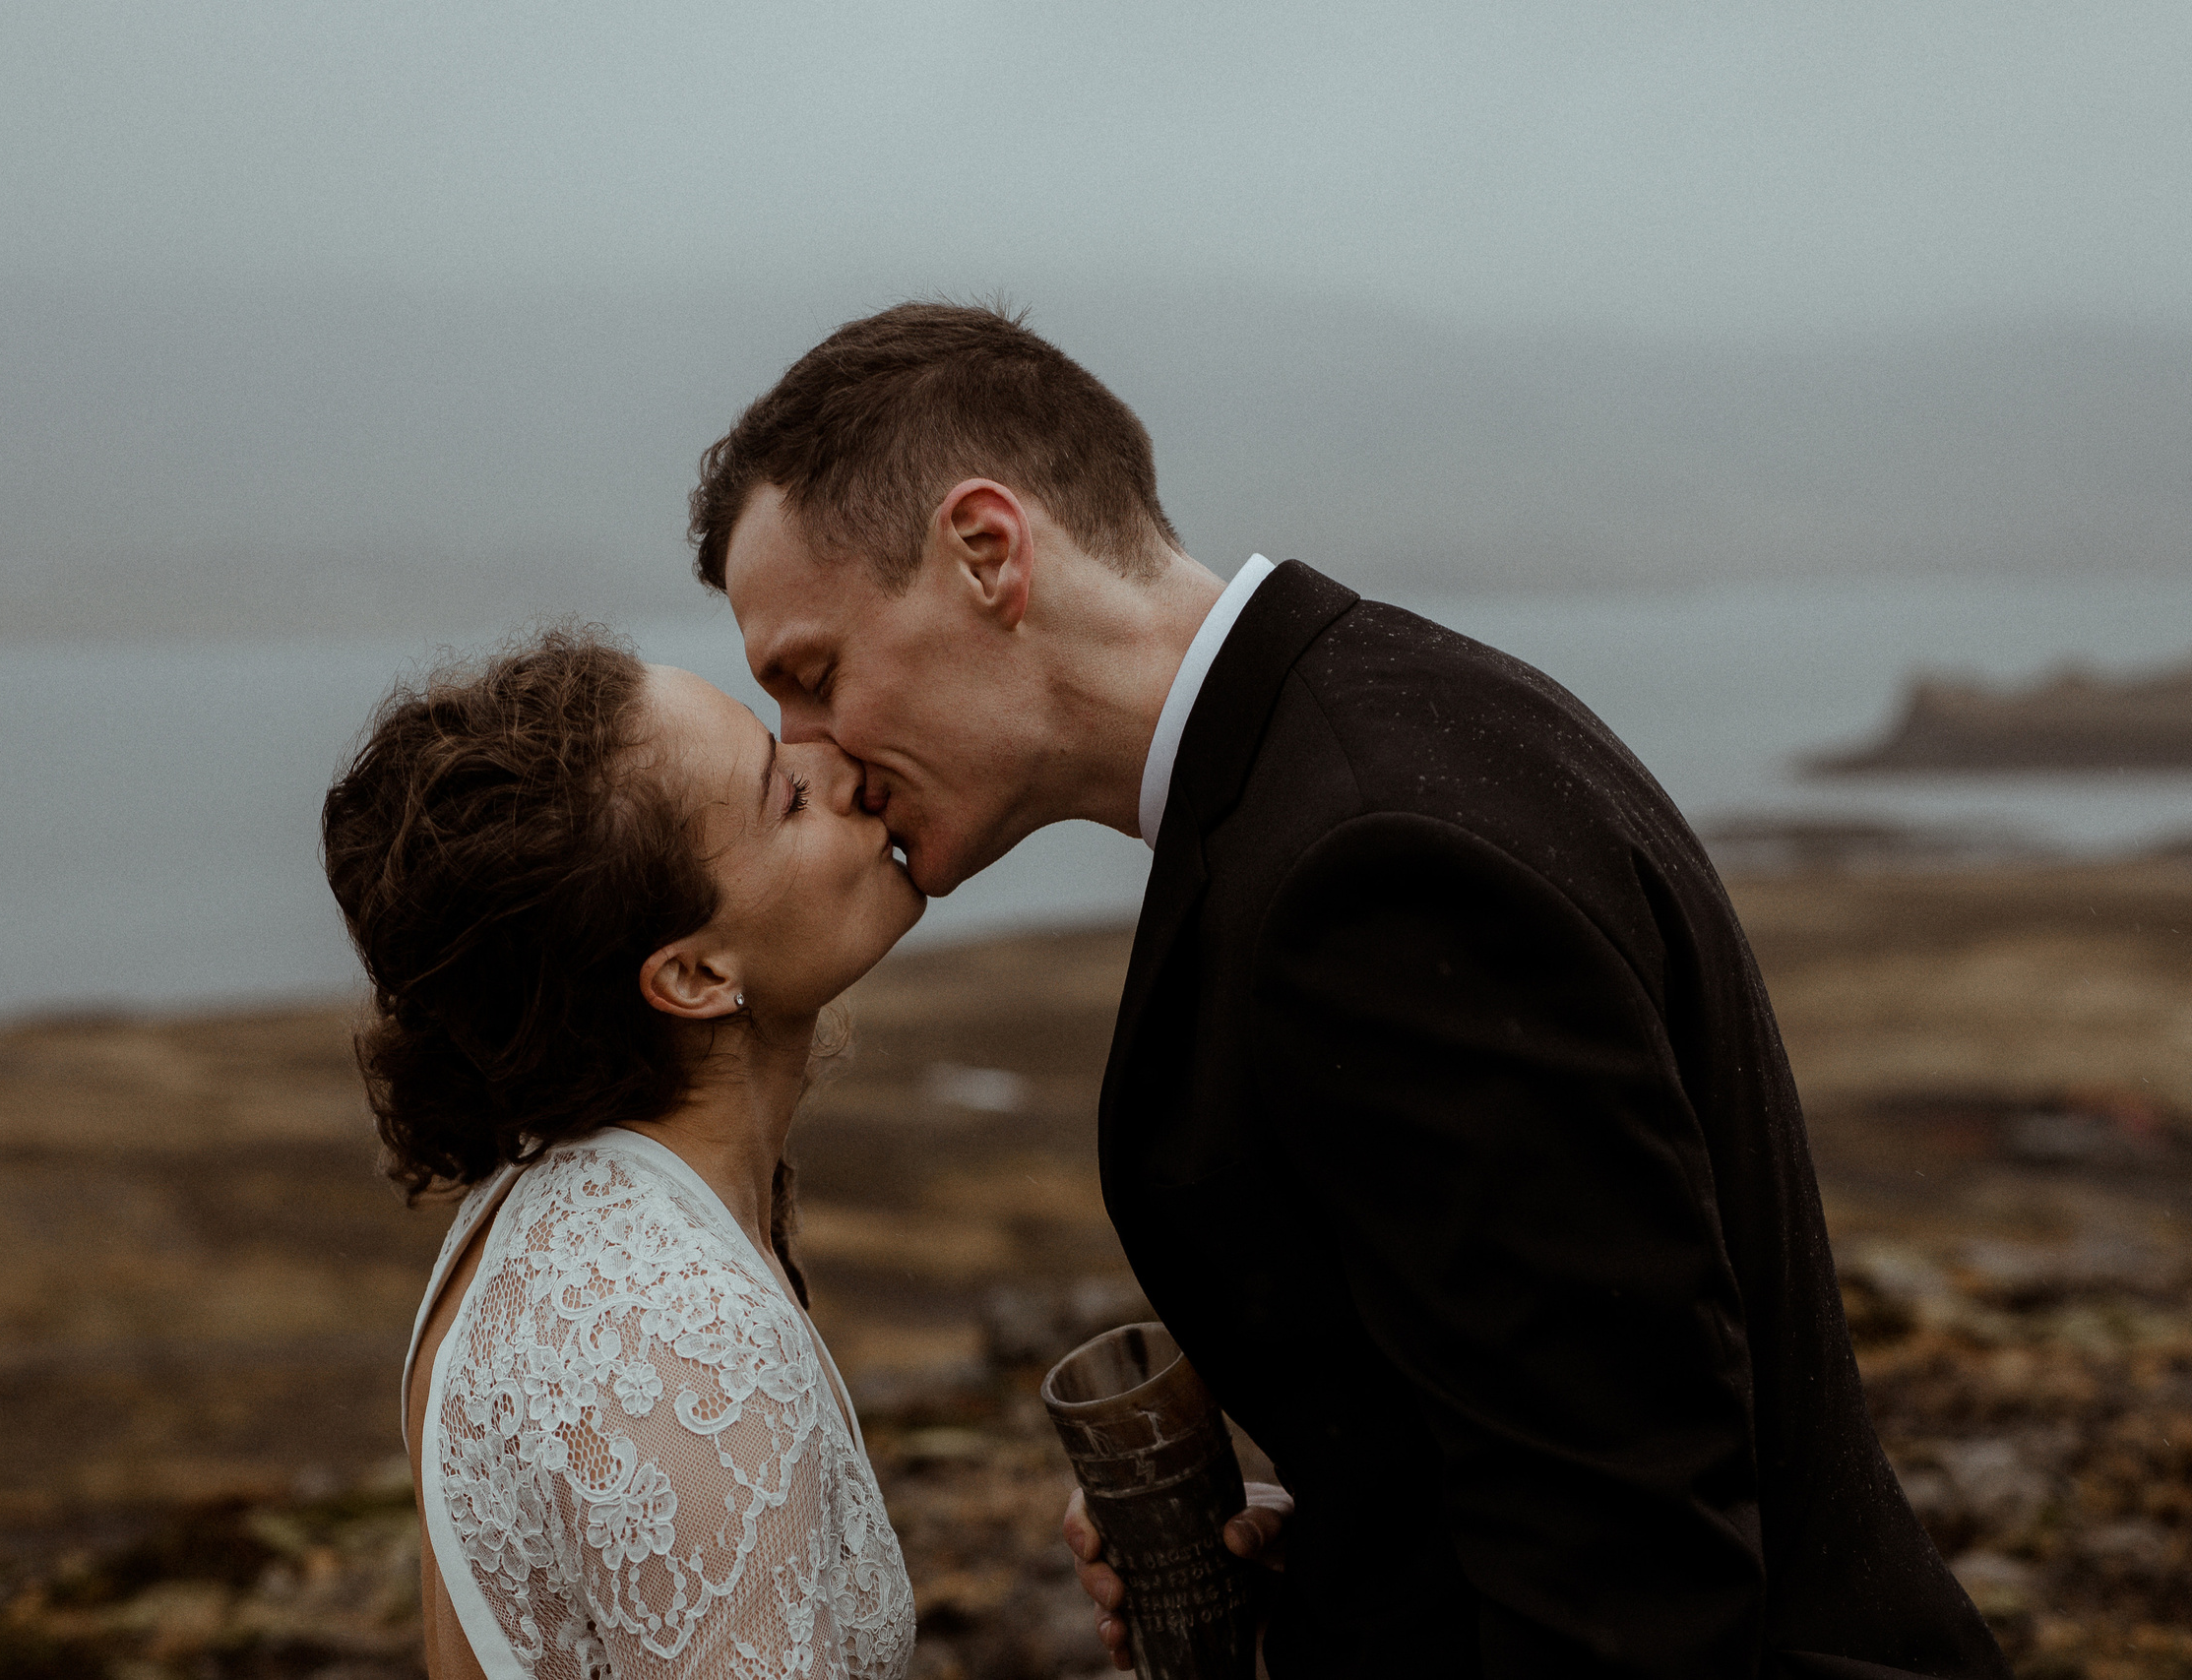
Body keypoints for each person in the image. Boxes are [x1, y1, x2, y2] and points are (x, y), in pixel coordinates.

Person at [689, 302, 2011, 1676]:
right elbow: (1528, 1428)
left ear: (986, 550)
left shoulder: (1370, 868)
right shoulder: (1373, 727)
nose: (811, 752)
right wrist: (1342, 1556)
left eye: (814, 673)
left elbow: (1625, 1566)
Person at [320, 628, 923, 1678]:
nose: (844, 770)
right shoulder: (680, 1339)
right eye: (784, 797)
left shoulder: (536, 1226)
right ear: (691, 976)